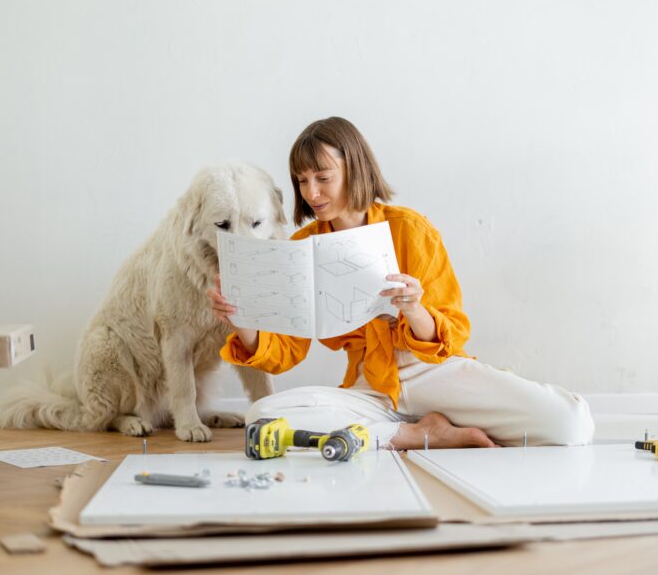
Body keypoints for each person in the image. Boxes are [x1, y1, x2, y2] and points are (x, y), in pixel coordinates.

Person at [207, 117, 594, 450]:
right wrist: (241, 318)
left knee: (571, 424)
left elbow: (452, 337)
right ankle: (414, 433)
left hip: (432, 372)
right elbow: (285, 351)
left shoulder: (410, 229)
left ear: (355, 170)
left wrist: (413, 308)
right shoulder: (300, 247)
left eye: (323, 178)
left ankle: (398, 430)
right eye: (302, 180)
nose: (311, 193)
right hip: (370, 387)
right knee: (262, 416)